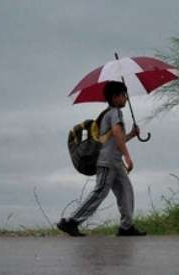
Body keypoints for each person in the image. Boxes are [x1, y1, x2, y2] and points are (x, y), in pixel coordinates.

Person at [57, 81, 147, 236]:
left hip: (114, 162)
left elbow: (115, 140)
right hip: (107, 162)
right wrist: (127, 156)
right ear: (115, 97)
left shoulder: (109, 114)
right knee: (99, 192)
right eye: (124, 95)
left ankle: (126, 226)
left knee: (126, 190)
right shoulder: (115, 113)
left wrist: (132, 134)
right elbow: (117, 133)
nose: (126, 98)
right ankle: (71, 221)